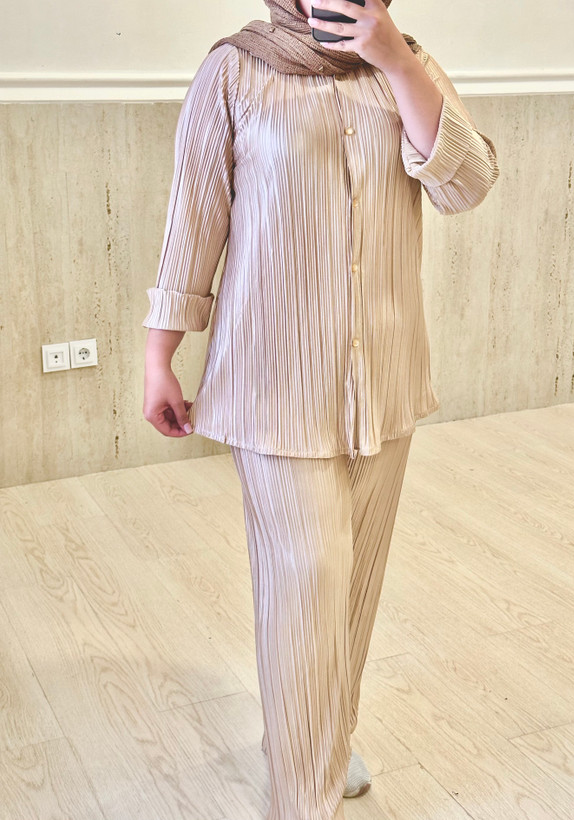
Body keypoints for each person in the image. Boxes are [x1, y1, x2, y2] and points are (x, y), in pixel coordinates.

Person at [142, 1, 500, 817]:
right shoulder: (235, 70)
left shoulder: (407, 62)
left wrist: (396, 62)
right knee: (305, 583)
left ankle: (319, 740)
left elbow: (466, 185)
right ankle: (303, 796)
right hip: (272, 381)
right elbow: (194, 217)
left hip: (386, 380)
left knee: (352, 590)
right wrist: (160, 356)